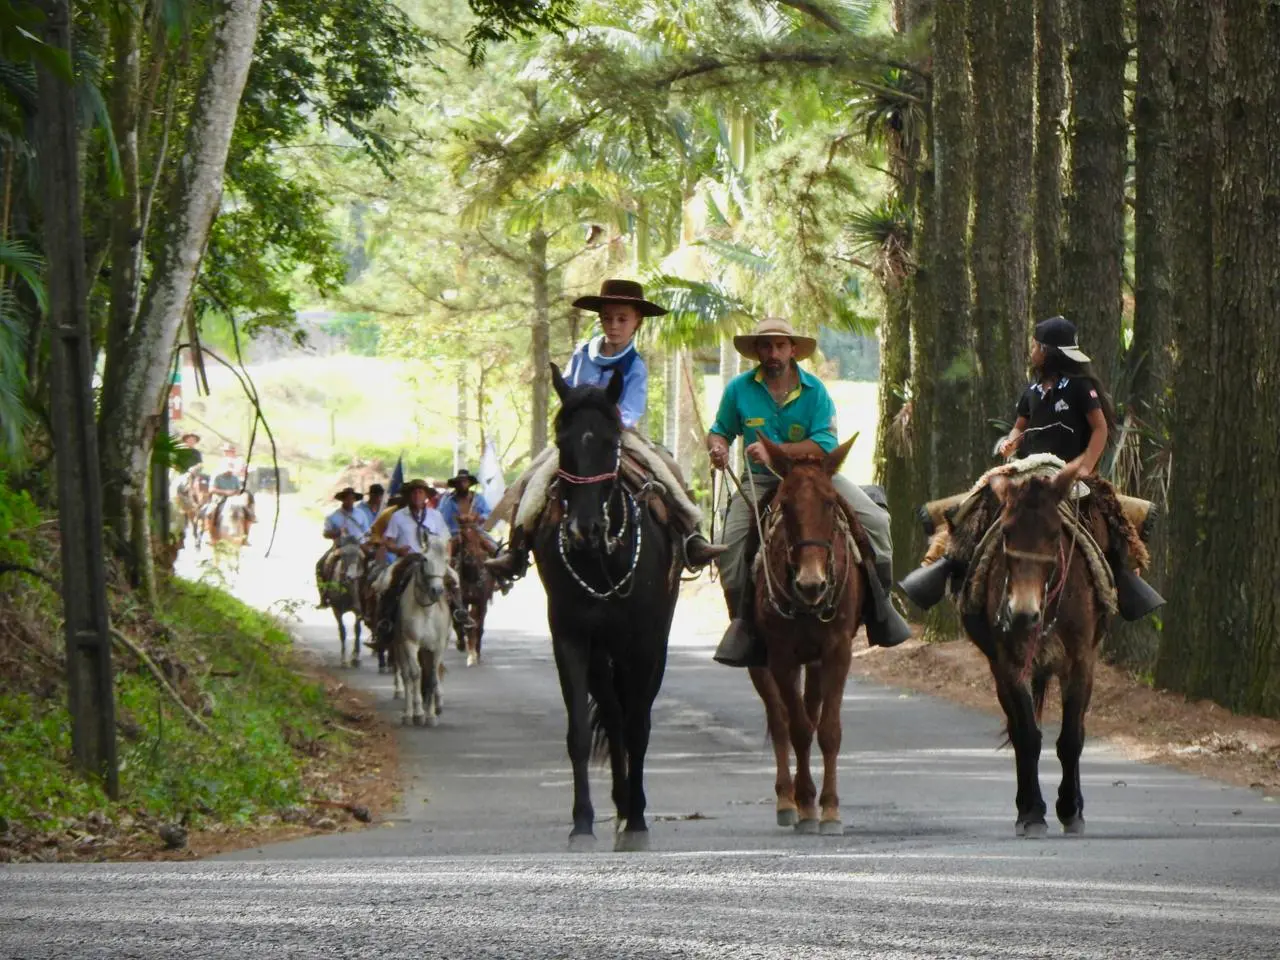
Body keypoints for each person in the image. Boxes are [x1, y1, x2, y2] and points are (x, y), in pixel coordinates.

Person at [899, 315, 1165, 620]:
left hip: (1067, 474)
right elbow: (1018, 428)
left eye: (1036, 345)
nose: (1032, 350)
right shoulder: (1032, 390)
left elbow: (1100, 430)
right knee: (978, 501)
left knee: (1108, 517)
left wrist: (1086, 467)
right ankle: (943, 563)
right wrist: (1009, 443)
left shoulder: (1082, 387)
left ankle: (1123, 575)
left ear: (1049, 351)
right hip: (1026, 472)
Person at [485, 278, 725, 581]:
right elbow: (569, 392)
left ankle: (692, 534)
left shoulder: (635, 365)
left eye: (622, 319)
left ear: (636, 322)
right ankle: (516, 548)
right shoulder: (583, 353)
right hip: (579, 436)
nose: (614, 325)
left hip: (619, 434)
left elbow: (631, 409)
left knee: (667, 468)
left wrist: (606, 422)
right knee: (533, 478)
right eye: (608, 318)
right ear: (600, 319)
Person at [707, 317, 913, 666]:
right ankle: (743, 625)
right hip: (761, 480)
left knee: (876, 520)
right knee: (729, 545)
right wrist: (718, 448)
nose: (773, 353)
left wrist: (776, 451)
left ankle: (881, 608)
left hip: (817, 477)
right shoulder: (738, 389)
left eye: (780, 346)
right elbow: (719, 430)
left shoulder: (816, 391)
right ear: (757, 351)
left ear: (793, 351)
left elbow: (824, 444)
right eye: (766, 346)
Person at [372, 479, 473, 647]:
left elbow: (447, 539)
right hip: (408, 558)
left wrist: (445, 559)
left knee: (454, 578)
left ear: (426, 496)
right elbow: (387, 540)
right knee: (385, 582)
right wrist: (397, 550)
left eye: (420, 492)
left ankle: (460, 616)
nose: (417, 495)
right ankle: (384, 624)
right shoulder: (398, 516)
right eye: (413, 492)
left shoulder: (435, 515)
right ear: (408, 496)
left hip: (432, 560)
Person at [316, 487, 372, 607]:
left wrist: (367, 539)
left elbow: (367, 531)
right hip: (340, 546)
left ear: (355, 500)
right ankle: (324, 595)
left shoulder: (361, 514)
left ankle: (370, 593)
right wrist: (337, 532)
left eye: (352, 498)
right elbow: (326, 533)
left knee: (373, 563)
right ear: (342, 500)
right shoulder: (333, 516)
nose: (349, 501)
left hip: (359, 545)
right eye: (347, 498)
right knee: (321, 564)